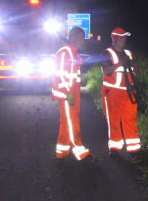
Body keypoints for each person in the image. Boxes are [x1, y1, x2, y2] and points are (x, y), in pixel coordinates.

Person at [52, 27, 92, 161]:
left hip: (71, 94)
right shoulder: (65, 52)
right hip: (67, 95)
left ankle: (62, 150)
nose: (83, 41)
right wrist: (68, 93)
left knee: (66, 121)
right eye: (82, 38)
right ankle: (79, 151)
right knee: (71, 121)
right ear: (73, 37)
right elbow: (60, 74)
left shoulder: (73, 53)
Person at [99, 27, 140, 158]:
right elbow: (107, 71)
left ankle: (134, 148)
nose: (124, 39)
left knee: (130, 119)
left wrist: (133, 64)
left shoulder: (129, 53)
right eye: (121, 36)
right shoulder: (107, 53)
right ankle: (114, 148)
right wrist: (121, 63)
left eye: (125, 36)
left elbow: (137, 69)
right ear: (114, 38)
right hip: (112, 92)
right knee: (113, 120)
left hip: (129, 92)